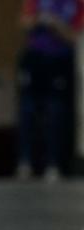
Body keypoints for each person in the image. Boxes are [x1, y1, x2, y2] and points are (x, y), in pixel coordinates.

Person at [15, 0, 84, 182]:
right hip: (34, 58)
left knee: (56, 113)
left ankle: (53, 163)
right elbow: (24, 22)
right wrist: (38, 20)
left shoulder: (76, 3)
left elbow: (75, 36)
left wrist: (56, 24)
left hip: (59, 60)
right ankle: (26, 162)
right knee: (28, 111)